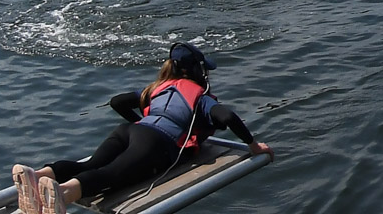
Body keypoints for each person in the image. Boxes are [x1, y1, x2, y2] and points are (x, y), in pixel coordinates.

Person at [15, 42, 266, 210]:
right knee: (112, 175)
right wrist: (253, 145)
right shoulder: (202, 98)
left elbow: (118, 102)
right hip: (157, 141)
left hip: (129, 131)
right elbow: (228, 117)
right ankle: (62, 194)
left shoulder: (158, 87)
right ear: (199, 71)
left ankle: (36, 175)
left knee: (89, 164)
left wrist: (141, 124)